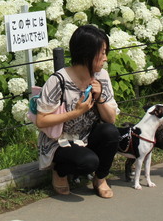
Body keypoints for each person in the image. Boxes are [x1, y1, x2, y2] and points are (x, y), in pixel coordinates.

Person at [35, 24, 120, 198]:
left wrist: (100, 98)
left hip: (86, 137)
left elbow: (111, 120)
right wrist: (75, 112)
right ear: (87, 54)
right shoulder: (58, 80)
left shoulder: (101, 76)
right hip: (59, 141)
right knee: (88, 162)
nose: (106, 58)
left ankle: (100, 178)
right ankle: (59, 171)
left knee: (111, 132)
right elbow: (41, 121)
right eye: (102, 53)